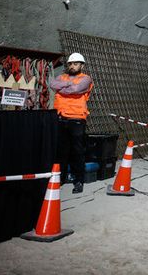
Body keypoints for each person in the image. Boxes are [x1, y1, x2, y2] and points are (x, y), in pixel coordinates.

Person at [50, 52, 94, 193]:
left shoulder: (86, 79)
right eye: (70, 64)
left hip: (77, 119)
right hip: (61, 118)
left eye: (76, 64)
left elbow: (77, 89)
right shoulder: (62, 77)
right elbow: (52, 84)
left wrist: (63, 87)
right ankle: (60, 179)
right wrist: (69, 84)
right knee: (61, 151)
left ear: (82, 65)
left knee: (77, 152)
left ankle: (78, 181)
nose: (72, 66)